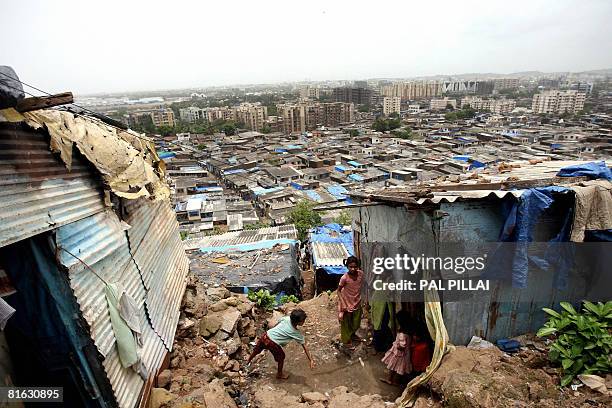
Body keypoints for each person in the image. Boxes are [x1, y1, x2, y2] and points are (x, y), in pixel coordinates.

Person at [247, 308, 315, 379]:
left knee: (257, 349)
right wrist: (311, 360)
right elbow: (304, 346)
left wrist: (272, 331)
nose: (304, 321)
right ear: (299, 322)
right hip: (273, 343)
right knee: (281, 357)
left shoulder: (286, 318)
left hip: (266, 335)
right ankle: (279, 374)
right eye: (303, 320)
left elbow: (277, 324)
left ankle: (248, 360)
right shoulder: (296, 333)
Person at [337, 256, 364, 346]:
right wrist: (343, 305)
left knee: (356, 323)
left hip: (357, 303)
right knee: (346, 324)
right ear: (347, 266)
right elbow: (338, 291)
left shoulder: (361, 274)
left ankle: (352, 335)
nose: (353, 269)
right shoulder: (344, 278)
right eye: (350, 267)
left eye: (355, 267)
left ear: (358, 266)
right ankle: (346, 341)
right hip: (346, 304)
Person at [380, 311, 412, 385]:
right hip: (405, 354)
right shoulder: (408, 333)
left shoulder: (402, 334)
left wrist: (397, 345)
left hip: (399, 354)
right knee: (399, 368)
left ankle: (390, 379)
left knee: (393, 366)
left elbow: (402, 346)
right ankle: (395, 381)